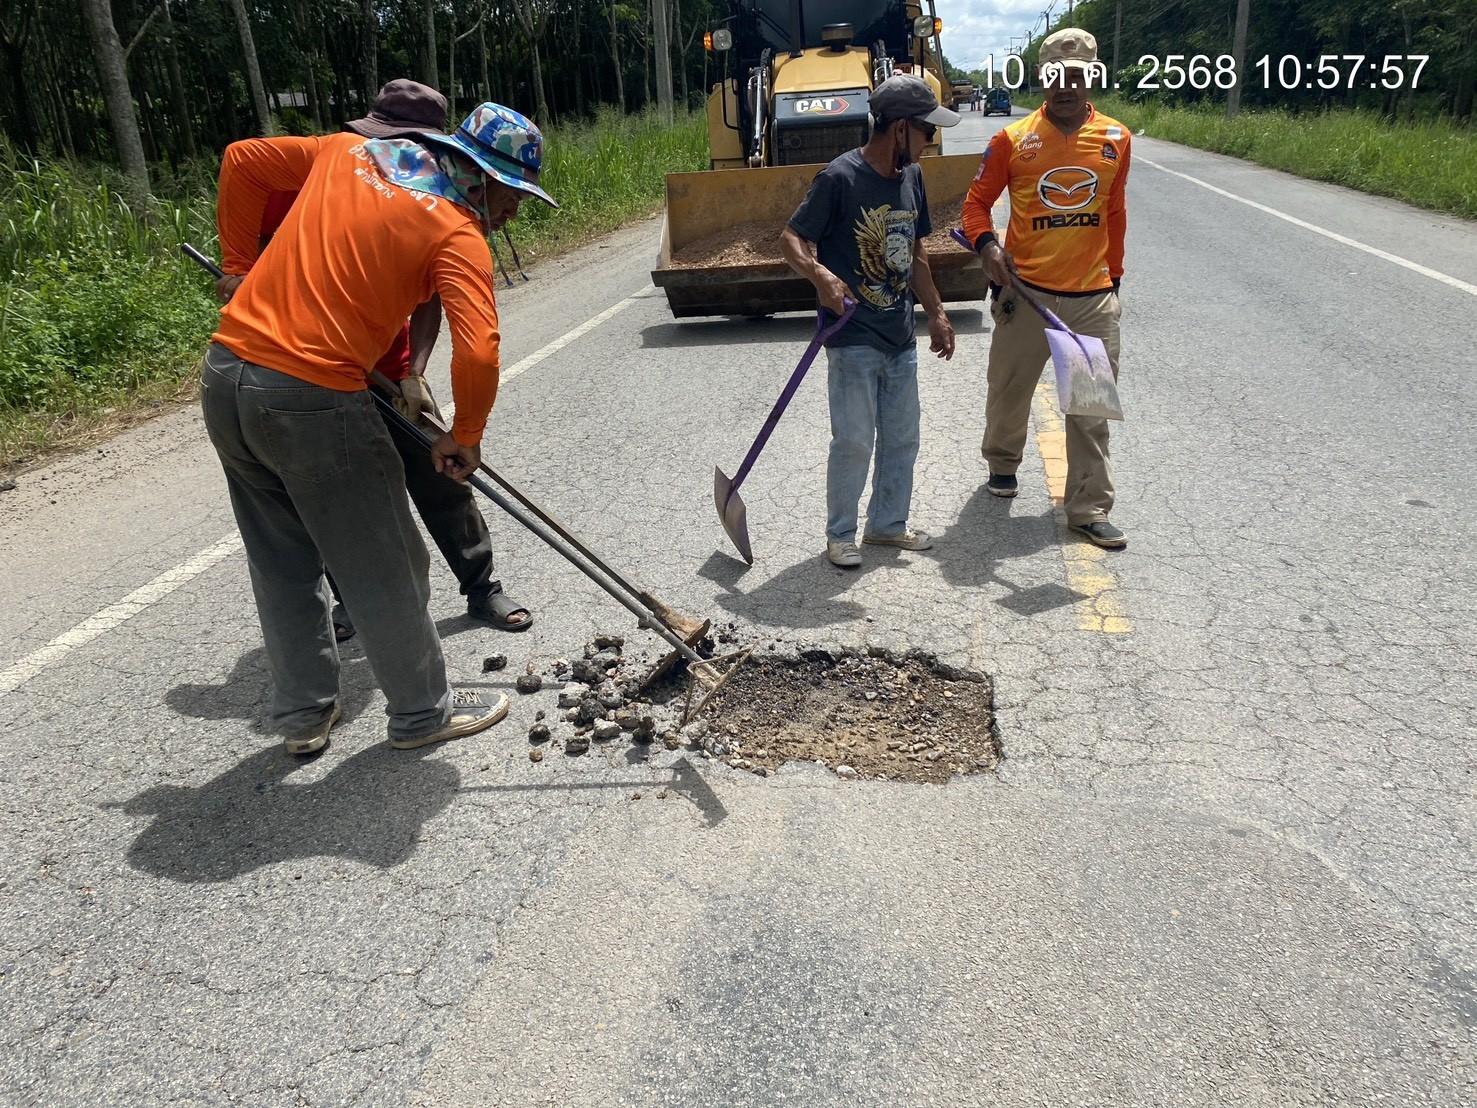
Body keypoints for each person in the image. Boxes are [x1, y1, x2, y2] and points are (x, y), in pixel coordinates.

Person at [202, 101, 557, 755]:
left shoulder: (348, 153)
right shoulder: (456, 232)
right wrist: (466, 436)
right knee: (386, 560)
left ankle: (304, 715)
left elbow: (243, 160)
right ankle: (422, 713)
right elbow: (479, 351)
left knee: (282, 560)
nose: (513, 211)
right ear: (483, 176)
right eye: (514, 194)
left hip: (228, 377)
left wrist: (239, 268)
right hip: (312, 399)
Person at [241, 81, 532, 641]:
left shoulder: (426, 199)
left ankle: (482, 587)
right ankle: (355, 600)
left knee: (442, 477)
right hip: (314, 380)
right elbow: (244, 168)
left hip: (388, 368)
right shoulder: (326, 173)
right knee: (336, 496)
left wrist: (412, 372)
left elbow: (430, 296)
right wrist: (237, 265)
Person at [962, 27, 1130, 549]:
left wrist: (1114, 279)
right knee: (1009, 391)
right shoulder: (1012, 140)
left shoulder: (1116, 138)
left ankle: (1089, 507)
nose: (1066, 86)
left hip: (1090, 298)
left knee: (1090, 410)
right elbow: (975, 205)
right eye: (1057, 75)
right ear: (1042, 76)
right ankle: (1002, 461)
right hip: (1026, 293)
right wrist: (987, 247)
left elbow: (1115, 212)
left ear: (1091, 77)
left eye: (1077, 76)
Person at [781, 74, 958, 569]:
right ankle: (840, 534)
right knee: (855, 441)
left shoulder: (912, 177)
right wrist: (820, 275)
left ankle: (886, 525)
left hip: (900, 336)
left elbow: (916, 252)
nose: (930, 141)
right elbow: (791, 239)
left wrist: (937, 313)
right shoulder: (839, 178)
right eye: (927, 130)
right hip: (853, 337)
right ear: (900, 129)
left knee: (902, 438)